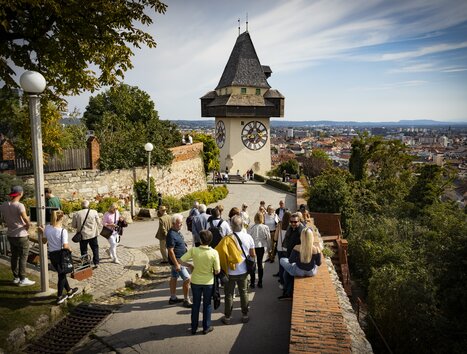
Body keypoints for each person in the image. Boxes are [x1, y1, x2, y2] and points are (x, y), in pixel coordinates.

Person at [180, 230, 220, 335]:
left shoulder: (194, 250)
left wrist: (190, 266)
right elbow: (217, 270)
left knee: (196, 304)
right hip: (208, 282)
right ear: (210, 241)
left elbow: (181, 260)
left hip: (196, 281)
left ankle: (194, 327)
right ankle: (206, 327)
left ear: (200, 240)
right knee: (207, 305)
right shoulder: (214, 252)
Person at [222, 215, 255, 325]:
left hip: (230, 271)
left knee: (229, 295)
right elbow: (252, 254)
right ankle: (245, 315)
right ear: (242, 225)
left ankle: (227, 317)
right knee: (244, 293)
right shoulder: (248, 237)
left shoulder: (227, 239)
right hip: (243, 270)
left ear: (231, 226)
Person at [40, 210, 79, 304]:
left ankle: (69, 291)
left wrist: (43, 232)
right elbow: (65, 246)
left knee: (62, 274)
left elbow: (44, 242)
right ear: (61, 218)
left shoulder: (48, 228)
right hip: (61, 255)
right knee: (61, 276)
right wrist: (70, 249)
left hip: (52, 255)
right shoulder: (62, 231)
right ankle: (59, 297)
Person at [0, 185, 35, 286]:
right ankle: (23, 279)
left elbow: (4, 218)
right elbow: (25, 218)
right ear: (20, 194)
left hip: (10, 234)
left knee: (14, 257)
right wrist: (28, 224)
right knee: (23, 257)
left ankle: (16, 277)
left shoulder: (4, 205)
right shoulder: (20, 205)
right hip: (21, 235)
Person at [279, 227, 322, 300]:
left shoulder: (297, 247)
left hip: (298, 271)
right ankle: (286, 288)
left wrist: (298, 259)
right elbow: (318, 263)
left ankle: (285, 287)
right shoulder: (316, 249)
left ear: (301, 237)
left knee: (282, 259)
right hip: (311, 272)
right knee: (313, 265)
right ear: (311, 237)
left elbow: (290, 261)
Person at [166, 213, 192, 308]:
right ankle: (186, 300)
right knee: (187, 279)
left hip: (179, 260)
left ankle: (173, 298)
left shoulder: (176, 231)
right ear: (174, 223)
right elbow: (170, 251)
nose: (181, 225)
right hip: (177, 261)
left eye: (181, 223)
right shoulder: (171, 234)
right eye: (179, 223)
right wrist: (176, 264)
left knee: (174, 277)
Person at [72, 200, 101, 268]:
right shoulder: (94, 212)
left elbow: (74, 225)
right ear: (88, 205)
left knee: (84, 250)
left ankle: (85, 264)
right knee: (95, 248)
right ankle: (96, 262)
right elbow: (99, 223)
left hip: (83, 235)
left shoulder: (77, 214)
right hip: (93, 234)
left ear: (81, 205)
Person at [247, 212, 270, 288]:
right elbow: (268, 238)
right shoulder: (265, 227)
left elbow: (248, 238)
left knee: (253, 264)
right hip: (261, 246)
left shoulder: (251, 227)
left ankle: (252, 282)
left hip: (252, 247)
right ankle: (260, 282)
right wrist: (269, 248)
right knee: (260, 264)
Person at [275, 211, 292, 286]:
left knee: (281, 265)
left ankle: (282, 282)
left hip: (279, 248)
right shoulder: (291, 226)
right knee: (287, 266)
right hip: (287, 249)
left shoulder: (279, 225)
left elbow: (275, 238)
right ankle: (286, 282)